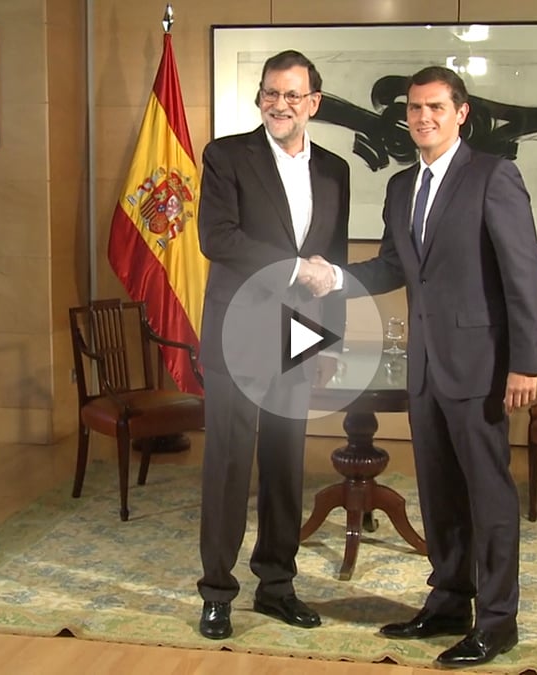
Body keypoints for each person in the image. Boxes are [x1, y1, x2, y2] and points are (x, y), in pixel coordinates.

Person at [306, 65, 537, 667]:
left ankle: (498, 620)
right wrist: (335, 275)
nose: (423, 118)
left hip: (483, 366)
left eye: (436, 107)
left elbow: (523, 277)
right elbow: (392, 267)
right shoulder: (400, 186)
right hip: (425, 369)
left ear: (461, 113)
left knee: (487, 495)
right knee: (439, 493)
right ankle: (447, 603)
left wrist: (526, 363)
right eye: (414, 108)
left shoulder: (494, 176)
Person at [194, 50, 347, 641]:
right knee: (229, 465)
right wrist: (292, 269)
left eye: (291, 96)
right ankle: (217, 593)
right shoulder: (227, 156)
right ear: (260, 97)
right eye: (270, 94)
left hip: (299, 335)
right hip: (237, 329)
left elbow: (330, 257)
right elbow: (217, 237)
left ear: (313, 103)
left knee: (284, 465)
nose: (279, 105)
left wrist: (328, 343)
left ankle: (277, 586)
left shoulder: (335, 169)